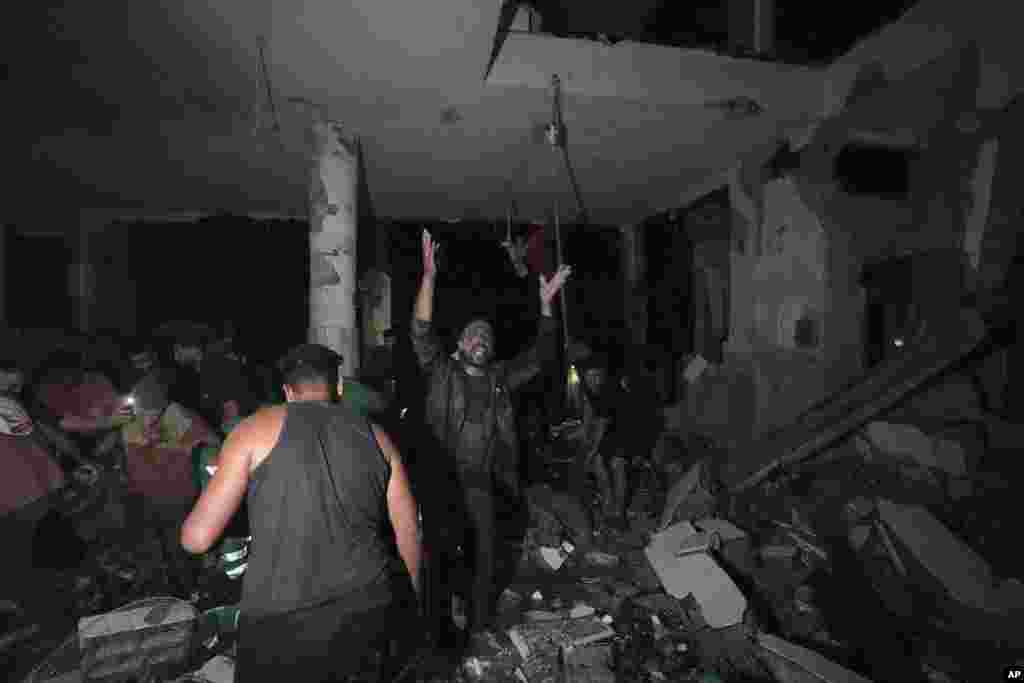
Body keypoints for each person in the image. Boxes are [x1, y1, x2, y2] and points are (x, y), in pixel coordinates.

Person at [181, 344, 422, 682]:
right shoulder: (378, 436)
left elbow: (196, 538)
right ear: (338, 386)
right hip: (367, 609)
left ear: (287, 392)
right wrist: (411, 602)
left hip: (280, 622)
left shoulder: (252, 430)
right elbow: (409, 530)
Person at [411, 228, 570, 634]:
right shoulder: (442, 372)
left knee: (485, 556)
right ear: (459, 345)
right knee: (442, 554)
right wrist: (429, 278)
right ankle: (441, 623)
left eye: (486, 335)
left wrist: (546, 306)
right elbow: (422, 333)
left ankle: (480, 625)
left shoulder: (502, 378)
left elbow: (543, 356)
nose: (480, 338)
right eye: (472, 334)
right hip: (443, 479)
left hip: (485, 483)